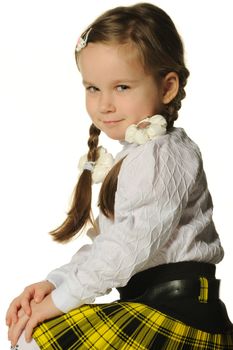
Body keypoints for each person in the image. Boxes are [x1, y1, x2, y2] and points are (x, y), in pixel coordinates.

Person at [6, 2, 233, 349]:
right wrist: (57, 282)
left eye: (122, 87)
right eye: (93, 88)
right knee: (33, 335)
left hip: (181, 313)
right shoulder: (140, 153)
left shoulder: (162, 156)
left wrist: (61, 301)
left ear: (167, 88)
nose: (104, 104)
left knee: (38, 339)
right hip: (150, 304)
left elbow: (128, 248)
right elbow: (109, 245)